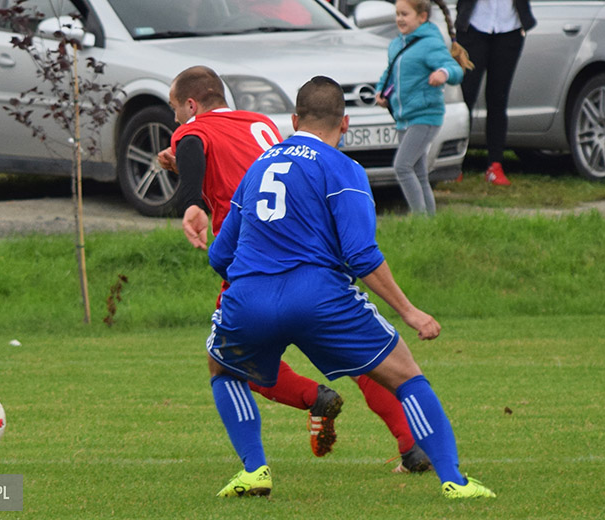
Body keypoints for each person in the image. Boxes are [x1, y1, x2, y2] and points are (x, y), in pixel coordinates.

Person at [206, 75, 496, 499]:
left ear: (293, 120)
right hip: (318, 296)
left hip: (249, 296)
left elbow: (219, 256)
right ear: (344, 126)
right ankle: (454, 480)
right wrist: (409, 311)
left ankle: (254, 471)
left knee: (222, 369)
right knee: (405, 375)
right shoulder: (344, 169)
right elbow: (361, 254)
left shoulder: (259, 167)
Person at [158, 65, 431, 472]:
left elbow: (195, 153)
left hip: (257, 259)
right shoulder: (258, 122)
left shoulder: (192, 130)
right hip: (313, 243)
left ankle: (309, 403)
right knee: (363, 356)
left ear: (192, 105)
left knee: (231, 363)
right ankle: (414, 444)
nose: (175, 118)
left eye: (174, 108)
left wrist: (190, 200)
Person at [375, 0, 467, 215]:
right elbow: (389, 73)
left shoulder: (430, 43)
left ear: (422, 17)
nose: (399, 19)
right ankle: (429, 222)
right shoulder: (397, 44)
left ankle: (418, 219)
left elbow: (454, 69)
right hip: (403, 117)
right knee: (418, 171)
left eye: (405, 14)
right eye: (397, 14)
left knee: (402, 166)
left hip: (425, 116)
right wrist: (380, 91)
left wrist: (442, 73)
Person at [455, 0, 536, 186]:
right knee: (466, 96)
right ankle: (455, 162)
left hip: (509, 28)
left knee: (498, 98)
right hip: (474, 26)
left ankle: (495, 164)